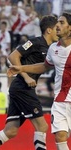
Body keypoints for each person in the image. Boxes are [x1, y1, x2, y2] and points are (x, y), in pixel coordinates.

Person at [0, 15, 58, 150]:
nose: (59, 31)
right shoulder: (35, 42)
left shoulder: (50, 48)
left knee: (11, 131)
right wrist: (26, 76)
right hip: (23, 86)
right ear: (49, 30)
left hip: (20, 88)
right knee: (42, 126)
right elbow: (12, 56)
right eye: (57, 28)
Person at [7, 12, 71, 150]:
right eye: (57, 23)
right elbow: (44, 66)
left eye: (61, 23)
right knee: (60, 136)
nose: (57, 26)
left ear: (70, 28)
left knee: (11, 130)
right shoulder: (52, 48)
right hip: (59, 100)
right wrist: (21, 69)